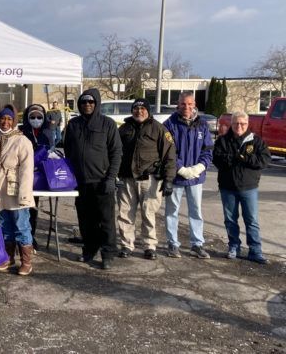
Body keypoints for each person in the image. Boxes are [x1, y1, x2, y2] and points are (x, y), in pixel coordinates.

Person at [64, 89, 122, 270]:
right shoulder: (73, 124)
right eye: (83, 102)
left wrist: (111, 178)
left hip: (102, 181)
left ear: (96, 104)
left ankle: (108, 253)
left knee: (105, 220)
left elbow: (116, 152)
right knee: (85, 219)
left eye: (91, 102)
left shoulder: (107, 124)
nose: (87, 105)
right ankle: (90, 249)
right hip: (80, 182)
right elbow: (68, 150)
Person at [116, 98, 176, 260]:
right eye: (136, 108)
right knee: (125, 213)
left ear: (148, 111)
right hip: (126, 179)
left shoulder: (159, 129)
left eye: (143, 109)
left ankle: (149, 246)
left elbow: (169, 156)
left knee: (148, 214)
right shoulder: (124, 129)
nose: (139, 111)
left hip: (150, 180)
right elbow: (115, 152)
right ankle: (126, 244)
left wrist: (169, 179)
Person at [212, 111, 271, 263]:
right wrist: (234, 158)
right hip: (228, 187)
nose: (239, 126)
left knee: (251, 220)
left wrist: (244, 158)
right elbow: (218, 160)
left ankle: (255, 251)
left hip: (249, 187)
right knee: (230, 220)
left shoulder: (256, 141)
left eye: (242, 123)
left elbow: (263, 161)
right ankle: (234, 246)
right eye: (236, 123)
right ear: (231, 124)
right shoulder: (223, 141)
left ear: (247, 124)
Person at [163, 91, 214, 259]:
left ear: (194, 105)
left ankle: (197, 244)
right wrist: (181, 169)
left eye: (190, 104)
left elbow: (207, 151)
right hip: (176, 176)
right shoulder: (169, 124)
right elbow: (167, 151)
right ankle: (172, 244)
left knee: (196, 211)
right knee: (172, 211)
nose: (187, 107)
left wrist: (199, 167)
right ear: (178, 104)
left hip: (196, 177)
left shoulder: (202, 125)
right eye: (183, 104)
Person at [0, 105, 35, 275]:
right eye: (3, 118)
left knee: (21, 227)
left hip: (16, 192)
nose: (6, 122)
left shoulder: (22, 141)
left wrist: (25, 195)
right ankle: (8, 258)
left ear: (14, 121)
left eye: (9, 119)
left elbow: (26, 170)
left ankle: (26, 262)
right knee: (4, 227)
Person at [20, 103, 55, 249]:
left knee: (33, 209)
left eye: (39, 117)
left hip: (38, 177)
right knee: (21, 209)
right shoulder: (21, 131)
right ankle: (20, 238)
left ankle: (30, 237)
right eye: (32, 117)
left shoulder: (47, 133)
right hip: (22, 175)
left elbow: (50, 151)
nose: (35, 119)